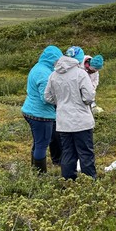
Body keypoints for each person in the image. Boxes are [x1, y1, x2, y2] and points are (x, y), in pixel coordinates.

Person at [45, 46, 97, 180]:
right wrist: (82, 102)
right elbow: (89, 97)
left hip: (63, 122)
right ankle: (89, 182)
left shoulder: (54, 75)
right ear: (79, 59)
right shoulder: (81, 74)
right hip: (81, 122)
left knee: (67, 152)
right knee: (85, 153)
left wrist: (60, 102)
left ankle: (68, 182)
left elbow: (47, 97)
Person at [21, 45, 63, 173]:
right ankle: (40, 175)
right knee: (41, 144)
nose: (58, 63)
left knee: (38, 142)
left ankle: (35, 171)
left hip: (31, 111)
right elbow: (46, 98)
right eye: (57, 60)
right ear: (53, 59)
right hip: (41, 115)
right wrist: (61, 101)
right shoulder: (44, 73)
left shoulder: (38, 67)